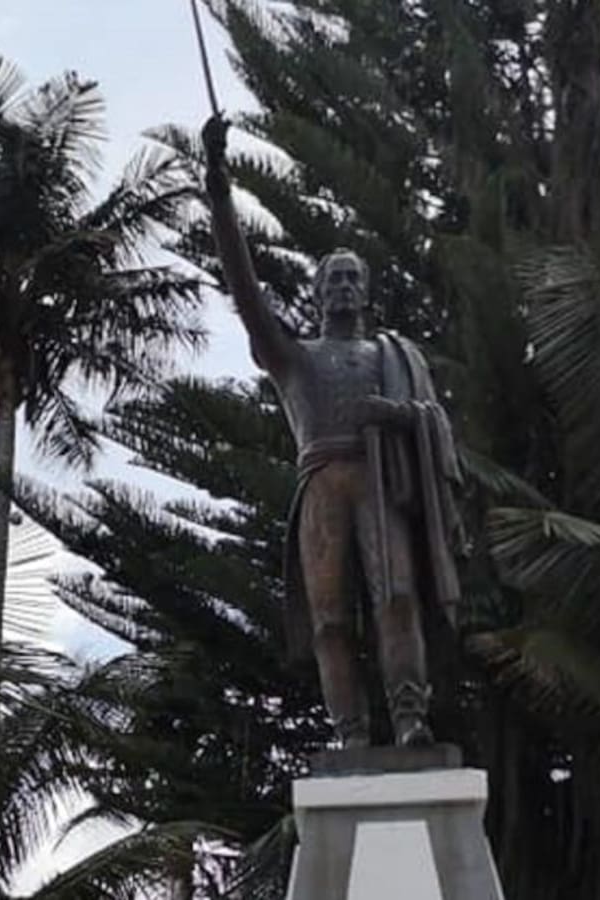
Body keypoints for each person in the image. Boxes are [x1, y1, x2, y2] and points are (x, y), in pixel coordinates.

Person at [201, 115, 464, 748]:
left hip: (382, 482)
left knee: (397, 597)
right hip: (322, 487)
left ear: (366, 293)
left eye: (353, 279)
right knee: (329, 621)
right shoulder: (294, 358)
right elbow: (244, 289)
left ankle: (409, 721)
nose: (343, 287)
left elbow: (434, 422)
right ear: (317, 294)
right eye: (333, 279)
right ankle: (350, 732)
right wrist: (217, 187)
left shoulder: (393, 354)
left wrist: (398, 415)